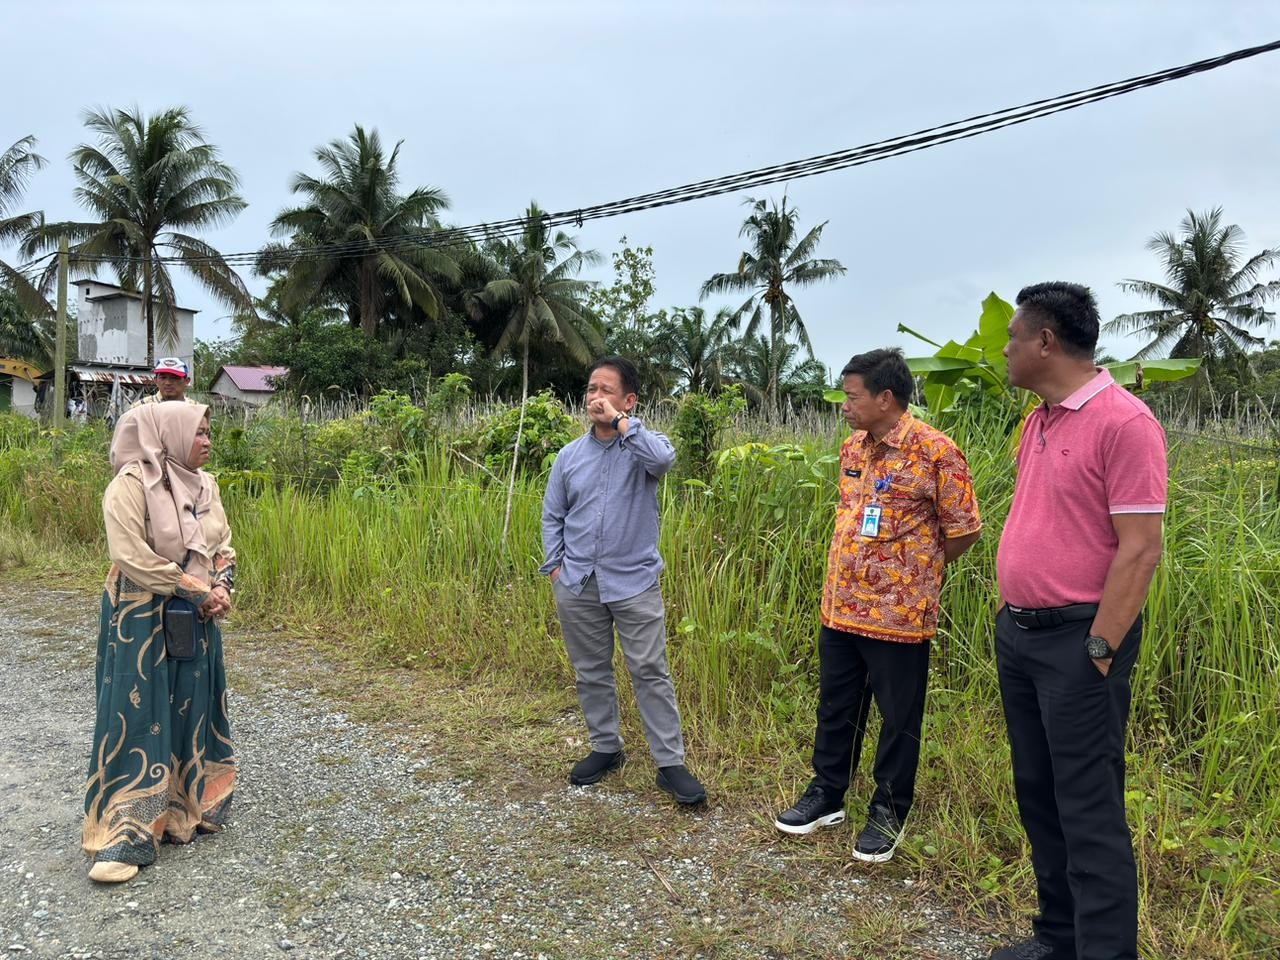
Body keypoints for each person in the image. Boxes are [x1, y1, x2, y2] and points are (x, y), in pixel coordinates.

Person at [990, 283, 1165, 960]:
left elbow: (1141, 547)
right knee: (1038, 792)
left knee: (1088, 809)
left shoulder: (1125, 423)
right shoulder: (1039, 418)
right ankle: (1058, 936)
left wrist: (1101, 647)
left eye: (1012, 337)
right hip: (1022, 635)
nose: (1004, 349)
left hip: (1081, 642)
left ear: (1045, 342)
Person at [774, 348, 981, 863]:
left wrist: (911, 572)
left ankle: (889, 809)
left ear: (885, 398)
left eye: (852, 396)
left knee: (898, 715)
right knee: (837, 705)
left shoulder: (936, 452)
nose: (844, 405)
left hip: (900, 615)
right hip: (841, 607)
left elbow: (963, 531)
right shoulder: (853, 449)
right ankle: (827, 794)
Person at [540, 356, 707, 805]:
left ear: (629, 400)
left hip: (633, 582)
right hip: (577, 582)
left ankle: (670, 764)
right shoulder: (569, 457)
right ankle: (606, 748)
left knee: (650, 671)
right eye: (591, 389)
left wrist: (622, 424)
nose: (595, 397)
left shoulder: (646, 447)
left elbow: (664, 461)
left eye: (606, 390)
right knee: (591, 672)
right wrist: (555, 567)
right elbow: (553, 513)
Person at [83, 402, 237, 883]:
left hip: (196, 614)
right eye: (200, 433)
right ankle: (128, 827)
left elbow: (224, 542)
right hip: (141, 614)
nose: (208, 441)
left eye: (210, 432)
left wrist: (223, 587)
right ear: (169, 435)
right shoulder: (129, 485)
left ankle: (188, 803)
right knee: (139, 710)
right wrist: (196, 588)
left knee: (192, 701)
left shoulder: (205, 485)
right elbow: (129, 555)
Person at [129, 357, 198, 409]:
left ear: (187, 381)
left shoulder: (195, 409)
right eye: (163, 378)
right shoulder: (140, 407)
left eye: (174, 378)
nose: (168, 383)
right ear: (155, 380)